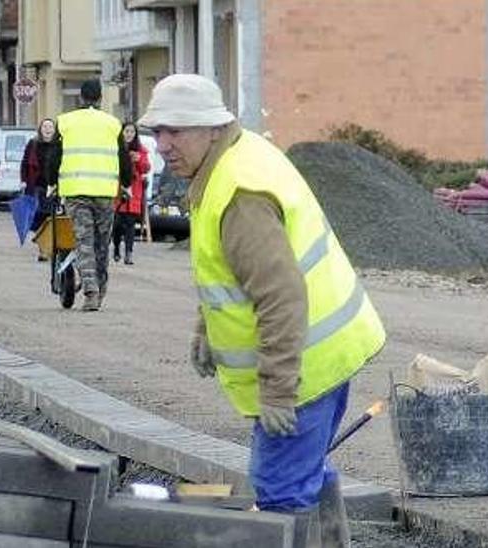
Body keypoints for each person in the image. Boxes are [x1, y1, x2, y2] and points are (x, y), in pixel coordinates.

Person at [139, 74, 386, 546]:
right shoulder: (234, 157)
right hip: (322, 354)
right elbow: (233, 275)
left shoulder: (239, 193)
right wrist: (205, 328)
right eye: (158, 132)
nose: (164, 144)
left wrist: (277, 393)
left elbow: (280, 297)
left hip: (304, 368)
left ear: (212, 128)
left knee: (279, 492)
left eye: (176, 131)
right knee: (305, 471)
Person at [51, 80, 132, 311]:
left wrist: (50, 182)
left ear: (81, 97)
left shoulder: (65, 122)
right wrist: (126, 183)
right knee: (101, 244)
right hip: (105, 192)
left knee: (83, 242)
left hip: (75, 191)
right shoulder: (112, 124)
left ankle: (90, 292)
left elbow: (55, 156)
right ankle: (101, 289)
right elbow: (123, 158)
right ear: (99, 98)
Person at [21, 118, 62, 253]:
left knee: (51, 216)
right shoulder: (33, 144)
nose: (47, 129)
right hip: (37, 185)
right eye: (45, 126)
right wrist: (23, 180)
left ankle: (46, 247)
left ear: (54, 130)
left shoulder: (59, 145)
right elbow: (25, 163)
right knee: (39, 215)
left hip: (54, 186)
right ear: (40, 129)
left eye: (50, 127)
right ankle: (42, 246)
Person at [113, 121, 149, 265]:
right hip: (118, 190)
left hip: (134, 191)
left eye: (131, 132)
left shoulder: (141, 150)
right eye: (126, 131)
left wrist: (139, 160)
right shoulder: (116, 148)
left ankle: (129, 253)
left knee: (130, 224)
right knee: (117, 225)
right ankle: (116, 248)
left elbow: (146, 168)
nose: (129, 134)